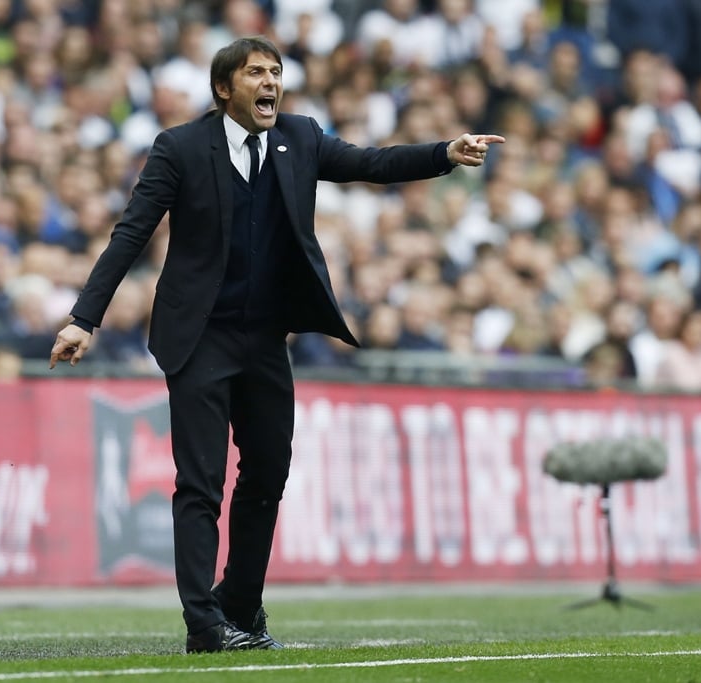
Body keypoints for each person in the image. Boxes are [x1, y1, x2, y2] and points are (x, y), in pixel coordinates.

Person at [48, 36, 503, 654]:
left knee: (267, 472)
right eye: (256, 72)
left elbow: (370, 163)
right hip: (199, 335)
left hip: (264, 338)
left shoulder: (302, 137)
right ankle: (204, 625)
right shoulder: (179, 148)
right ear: (223, 89)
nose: (271, 82)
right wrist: (84, 318)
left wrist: (444, 153)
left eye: (276, 72)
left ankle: (240, 603)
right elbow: (131, 233)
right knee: (200, 483)